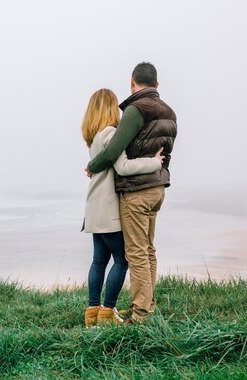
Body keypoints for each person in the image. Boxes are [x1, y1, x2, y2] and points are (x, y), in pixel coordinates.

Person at [86, 62, 177, 324]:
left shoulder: (136, 109)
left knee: (135, 253)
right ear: (157, 85)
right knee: (148, 250)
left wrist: (92, 166)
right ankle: (147, 305)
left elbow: (115, 152)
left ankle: (141, 314)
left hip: (137, 190)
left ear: (132, 83)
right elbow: (164, 152)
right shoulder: (169, 112)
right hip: (158, 188)